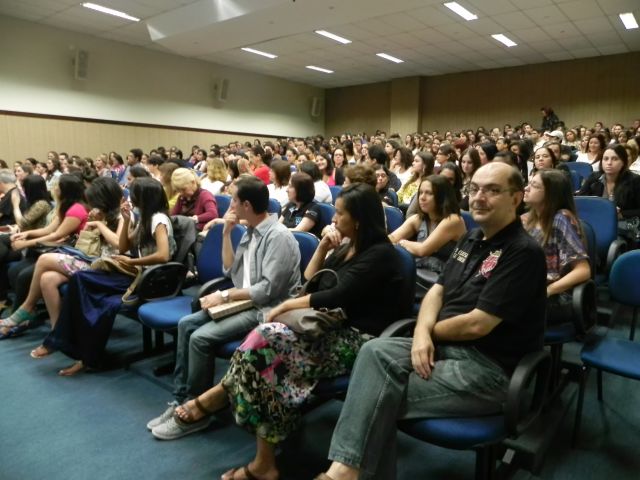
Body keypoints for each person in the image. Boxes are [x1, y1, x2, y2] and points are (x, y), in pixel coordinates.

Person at [157, 184, 408, 480]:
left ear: (359, 220)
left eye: (340, 213)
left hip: (359, 340)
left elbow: (335, 296)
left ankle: (217, 407)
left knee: (263, 348)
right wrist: (323, 249)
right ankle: (261, 459)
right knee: (260, 351)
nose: (334, 218)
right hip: (325, 326)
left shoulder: (381, 254)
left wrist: (285, 306)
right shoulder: (347, 246)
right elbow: (310, 281)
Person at [318, 162, 547, 480]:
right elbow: (437, 291)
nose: (479, 197)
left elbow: (477, 324)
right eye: (475, 189)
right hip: (443, 347)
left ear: (517, 198)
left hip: (487, 369)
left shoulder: (523, 252)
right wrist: (423, 332)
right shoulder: (471, 239)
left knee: (375, 394)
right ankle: (347, 471)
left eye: (493, 190)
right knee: (373, 353)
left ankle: (342, 473)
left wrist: (427, 333)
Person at [147, 176, 301, 437]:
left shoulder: (278, 237)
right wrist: (228, 233)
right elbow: (229, 270)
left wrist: (225, 296)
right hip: (245, 300)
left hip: (266, 309)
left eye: (234, 201)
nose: (229, 206)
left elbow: (267, 291)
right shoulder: (250, 231)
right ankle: (180, 399)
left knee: (200, 338)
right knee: (186, 324)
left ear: (247, 205)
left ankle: (198, 409)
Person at [47, 177, 176, 375]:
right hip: (138, 273)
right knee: (87, 290)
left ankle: (72, 348)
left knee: (84, 283)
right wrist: (126, 220)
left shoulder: (158, 220)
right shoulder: (145, 217)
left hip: (151, 279)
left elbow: (163, 255)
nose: (129, 197)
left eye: (133, 194)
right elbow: (123, 247)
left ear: (143, 197)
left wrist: (131, 262)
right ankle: (80, 352)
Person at [0, 174, 89, 337]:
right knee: (15, 271)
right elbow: (48, 230)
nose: (54, 188)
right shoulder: (65, 206)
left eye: (58, 186)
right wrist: (27, 234)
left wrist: (26, 243)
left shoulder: (76, 209)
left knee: (24, 275)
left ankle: (23, 313)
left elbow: (56, 235)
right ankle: (25, 312)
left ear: (66, 190)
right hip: (60, 250)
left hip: (73, 253)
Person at [522, 169, 591, 325]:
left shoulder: (561, 219)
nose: (526, 188)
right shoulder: (527, 219)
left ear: (550, 194)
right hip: (529, 288)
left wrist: (547, 291)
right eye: (529, 183)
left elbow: (583, 271)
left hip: (557, 296)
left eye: (534, 185)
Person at [389, 175, 465, 275]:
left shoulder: (453, 220)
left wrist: (401, 242)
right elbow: (390, 239)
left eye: (429, 193)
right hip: (421, 273)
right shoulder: (418, 219)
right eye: (421, 193)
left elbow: (423, 250)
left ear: (442, 197)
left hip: (446, 277)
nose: (422, 197)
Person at [280, 172, 323, 237]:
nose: (287, 190)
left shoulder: (313, 208)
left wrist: (278, 231)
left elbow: (298, 232)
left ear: (301, 190)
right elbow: (277, 225)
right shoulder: (291, 205)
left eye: (290, 186)